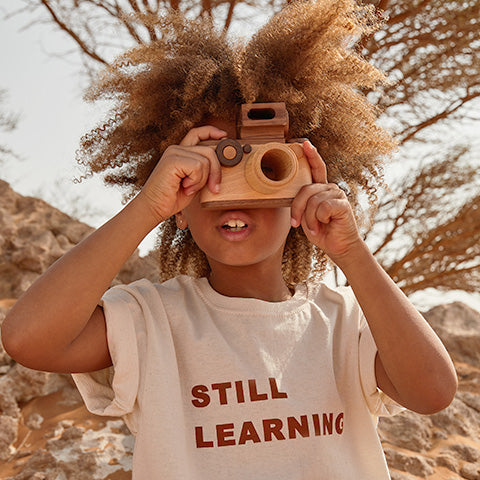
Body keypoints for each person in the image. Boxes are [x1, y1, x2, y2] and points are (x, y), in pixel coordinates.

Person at [1, 1, 457, 479]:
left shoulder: (345, 320)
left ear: (301, 185)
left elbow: (432, 391)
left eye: (264, 168)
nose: (233, 195)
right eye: (210, 167)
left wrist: (352, 253)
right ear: (177, 203)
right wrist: (147, 208)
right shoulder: (150, 321)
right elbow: (28, 339)